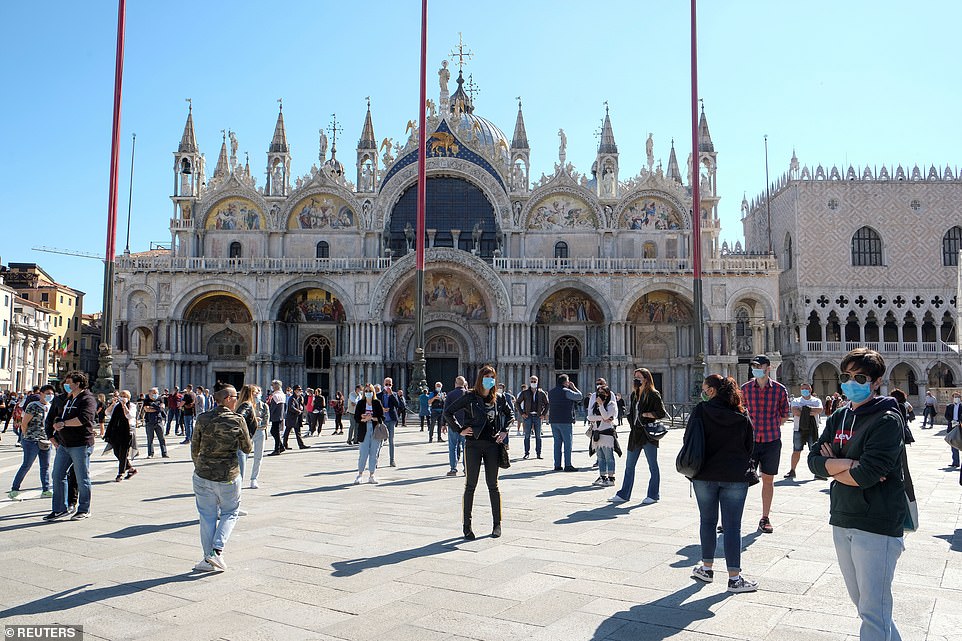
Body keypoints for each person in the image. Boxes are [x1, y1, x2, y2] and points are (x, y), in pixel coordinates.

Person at [808, 348, 907, 640]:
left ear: (876, 382)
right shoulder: (839, 416)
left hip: (876, 522)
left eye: (860, 377)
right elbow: (815, 462)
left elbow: (867, 475)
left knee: (873, 609)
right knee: (866, 606)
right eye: (846, 376)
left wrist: (833, 466)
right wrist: (847, 465)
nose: (851, 382)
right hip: (842, 515)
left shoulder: (887, 419)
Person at [688, 374, 759, 593]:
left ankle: (707, 569)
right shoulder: (741, 412)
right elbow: (750, 445)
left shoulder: (701, 410)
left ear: (712, 391)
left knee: (707, 522)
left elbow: (688, 439)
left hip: (704, 475)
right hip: (735, 476)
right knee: (732, 527)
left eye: (705, 387)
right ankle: (734, 579)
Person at [442, 365, 514, 539]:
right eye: (487, 376)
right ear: (480, 378)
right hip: (473, 444)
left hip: (492, 444)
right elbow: (448, 412)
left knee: (493, 485)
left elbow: (511, 414)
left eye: (493, 376)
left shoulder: (500, 397)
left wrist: (504, 430)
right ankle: (467, 526)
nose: (490, 379)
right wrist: (459, 429)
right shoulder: (470, 396)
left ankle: (497, 525)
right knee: (470, 485)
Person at [191, 385, 253, 572]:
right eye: (235, 396)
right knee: (230, 512)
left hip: (203, 474)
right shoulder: (237, 420)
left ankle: (207, 559)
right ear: (227, 399)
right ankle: (216, 550)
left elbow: (195, 447)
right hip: (228, 476)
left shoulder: (202, 418)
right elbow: (247, 448)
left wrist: (200, 467)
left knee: (207, 517)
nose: (237, 399)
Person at [741, 354, 790, 534]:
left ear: (768, 368)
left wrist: (770, 424)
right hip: (750, 441)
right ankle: (732, 517)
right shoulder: (745, 389)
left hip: (771, 440)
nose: (755, 368)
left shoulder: (779, 390)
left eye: (759, 366)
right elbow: (740, 411)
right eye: (753, 365)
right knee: (741, 480)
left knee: (768, 480)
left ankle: (765, 517)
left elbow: (785, 414)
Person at [43, 371, 97, 522]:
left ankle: (84, 509)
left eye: (69, 382)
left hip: (81, 444)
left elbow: (84, 419)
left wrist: (64, 423)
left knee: (82, 477)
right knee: (57, 475)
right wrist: (54, 430)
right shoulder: (67, 399)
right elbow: (56, 416)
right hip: (64, 444)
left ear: (78, 383)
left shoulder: (88, 399)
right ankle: (60, 509)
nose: (66, 385)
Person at [610, 368, 666, 504]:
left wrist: (647, 415)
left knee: (653, 465)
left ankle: (653, 495)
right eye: (635, 377)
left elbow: (661, 413)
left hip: (647, 434)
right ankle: (624, 494)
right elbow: (632, 413)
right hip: (635, 434)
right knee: (629, 466)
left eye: (639, 377)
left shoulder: (653, 394)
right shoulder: (634, 394)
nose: (636, 379)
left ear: (646, 379)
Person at [8, 384, 55, 500]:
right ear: (41, 394)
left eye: (52, 394)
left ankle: (46, 489)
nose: (50, 396)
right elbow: (24, 423)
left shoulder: (51, 406)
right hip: (31, 440)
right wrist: (25, 436)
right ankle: (14, 489)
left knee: (45, 466)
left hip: (45, 440)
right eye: (47, 393)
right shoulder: (33, 406)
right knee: (26, 465)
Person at [785, 383, 824, 479]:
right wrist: (810, 411)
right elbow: (795, 412)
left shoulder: (816, 400)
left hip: (813, 429)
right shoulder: (796, 400)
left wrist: (803, 410)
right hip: (799, 428)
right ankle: (792, 471)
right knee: (796, 450)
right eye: (802, 389)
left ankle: (818, 472)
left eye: (806, 388)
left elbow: (819, 410)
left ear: (810, 389)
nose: (804, 390)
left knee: (814, 450)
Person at [547, 374, 583, 472]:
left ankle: (557, 465)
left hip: (553, 420)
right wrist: (574, 387)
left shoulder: (551, 392)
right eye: (568, 381)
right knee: (568, 443)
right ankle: (568, 465)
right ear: (565, 382)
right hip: (565, 420)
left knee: (557, 443)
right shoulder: (567, 391)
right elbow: (579, 396)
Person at [587, 384, 619, 486]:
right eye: (599, 392)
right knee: (600, 457)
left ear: (608, 394)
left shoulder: (611, 404)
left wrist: (601, 406)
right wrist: (602, 418)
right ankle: (602, 476)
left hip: (607, 434)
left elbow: (607, 415)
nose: (600, 395)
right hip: (597, 434)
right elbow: (590, 417)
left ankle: (611, 478)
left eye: (603, 393)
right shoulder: (595, 405)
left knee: (609, 456)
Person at [353, 383, 385, 484]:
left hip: (375, 429)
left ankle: (372, 475)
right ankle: (360, 474)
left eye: (370, 391)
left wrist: (371, 418)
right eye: (366, 391)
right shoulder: (361, 403)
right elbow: (356, 418)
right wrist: (364, 418)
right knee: (363, 453)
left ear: (373, 392)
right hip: (364, 429)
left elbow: (382, 417)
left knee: (374, 453)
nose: (368, 393)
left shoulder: (377, 403)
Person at [104, 390, 138, 482]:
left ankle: (121, 473)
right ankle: (131, 469)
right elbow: (107, 413)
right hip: (116, 431)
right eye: (121, 395)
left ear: (128, 397)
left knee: (123, 453)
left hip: (127, 432)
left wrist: (124, 406)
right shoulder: (116, 406)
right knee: (116, 452)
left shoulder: (132, 406)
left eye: (124, 395)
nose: (122, 397)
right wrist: (112, 404)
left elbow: (130, 416)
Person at [516, 374, 548, 460]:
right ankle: (526, 453)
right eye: (532, 381)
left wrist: (543, 414)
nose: (533, 383)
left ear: (537, 382)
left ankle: (538, 453)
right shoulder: (525, 393)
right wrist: (522, 413)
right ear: (529, 382)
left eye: (535, 381)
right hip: (528, 416)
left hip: (537, 417)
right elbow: (517, 402)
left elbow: (547, 404)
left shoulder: (541, 393)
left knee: (538, 436)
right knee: (527, 435)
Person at [443, 376, 468, 476]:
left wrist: (443, 424)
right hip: (466, 425)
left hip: (453, 425)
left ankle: (453, 469)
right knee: (466, 447)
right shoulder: (468, 394)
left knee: (452, 447)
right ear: (464, 383)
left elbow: (446, 411)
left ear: (455, 383)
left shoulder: (450, 395)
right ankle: (466, 469)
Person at [142, 387, 168, 459]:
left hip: (159, 421)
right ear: (150, 393)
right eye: (154, 393)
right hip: (149, 421)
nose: (155, 394)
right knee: (150, 438)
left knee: (162, 438)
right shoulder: (146, 400)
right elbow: (147, 409)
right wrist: (157, 409)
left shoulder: (160, 399)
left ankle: (164, 453)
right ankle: (150, 453)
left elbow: (162, 408)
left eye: (156, 393)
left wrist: (153, 407)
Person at [380, 378, 401, 466]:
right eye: (386, 384)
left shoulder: (394, 394)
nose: (388, 386)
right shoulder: (379, 395)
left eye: (389, 384)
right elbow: (375, 406)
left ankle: (392, 460)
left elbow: (398, 405)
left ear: (392, 385)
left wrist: (391, 394)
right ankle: (375, 460)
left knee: (391, 441)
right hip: (382, 420)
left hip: (391, 420)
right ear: (383, 384)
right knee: (379, 441)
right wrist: (382, 409)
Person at [283, 385, 310, 450]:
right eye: (298, 390)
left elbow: (301, 405)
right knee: (287, 432)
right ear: (295, 391)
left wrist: (301, 408)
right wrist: (298, 411)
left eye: (300, 390)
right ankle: (285, 445)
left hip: (297, 418)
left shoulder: (299, 398)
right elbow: (291, 407)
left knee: (298, 432)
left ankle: (301, 445)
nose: (300, 391)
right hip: (291, 418)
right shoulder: (292, 398)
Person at [945, 392, 961, 468]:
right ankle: (955, 462)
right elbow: (946, 415)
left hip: (960, 426)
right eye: (955, 397)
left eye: (958, 397)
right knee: (953, 444)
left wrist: (959, 422)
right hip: (952, 426)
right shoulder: (949, 406)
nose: (956, 398)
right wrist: (951, 420)